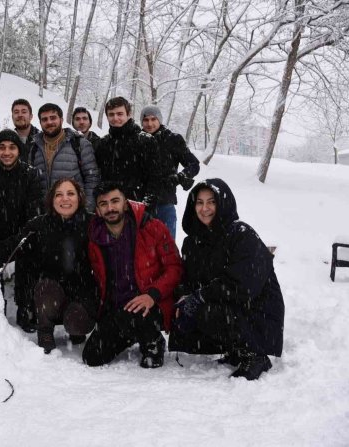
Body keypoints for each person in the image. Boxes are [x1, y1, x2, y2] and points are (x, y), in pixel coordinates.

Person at [168, 178, 284, 380]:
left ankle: (255, 355)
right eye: (200, 202)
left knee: (205, 309)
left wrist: (200, 297)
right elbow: (190, 278)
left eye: (211, 202)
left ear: (223, 203)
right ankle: (236, 349)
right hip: (227, 305)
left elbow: (243, 285)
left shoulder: (241, 234)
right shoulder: (193, 242)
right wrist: (183, 297)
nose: (205, 208)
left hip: (257, 309)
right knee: (190, 307)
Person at [82, 182, 182, 369]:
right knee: (92, 357)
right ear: (97, 209)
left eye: (115, 201)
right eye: (103, 204)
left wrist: (152, 294)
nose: (110, 208)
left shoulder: (152, 227)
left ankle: (153, 341)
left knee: (142, 316)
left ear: (126, 203)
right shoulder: (95, 237)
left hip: (151, 302)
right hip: (118, 308)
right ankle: (130, 332)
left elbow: (175, 268)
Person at [0, 178, 99, 353]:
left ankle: (76, 330)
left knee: (77, 321)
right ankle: (45, 330)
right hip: (51, 291)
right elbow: (12, 247)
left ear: (79, 198)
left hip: (83, 292)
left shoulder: (93, 224)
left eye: (70, 194)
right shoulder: (39, 225)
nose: (65, 199)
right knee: (46, 288)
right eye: (59, 195)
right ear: (51, 200)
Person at [0, 129, 44, 331]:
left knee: (29, 257)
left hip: (22, 234)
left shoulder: (30, 174)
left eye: (12, 147)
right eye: (2, 147)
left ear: (19, 151)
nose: (7, 152)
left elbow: (34, 214)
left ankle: (25, 307)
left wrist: (18, 240)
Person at [140, 105, 199, 239]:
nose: (149, 123)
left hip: (164, 203)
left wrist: (180, 177)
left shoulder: (173, 139)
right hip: (141, 204)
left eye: (153, 119)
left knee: (167, 249)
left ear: (159, 119)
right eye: (146, 120)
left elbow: (194, 164)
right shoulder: (137, 140)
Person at [29, 103, 100, 211]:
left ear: (61, 120)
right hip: (46, 216)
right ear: (40, 122)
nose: (49, 122)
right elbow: (32, 184)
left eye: (53, 118)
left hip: (74, 213)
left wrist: (86, 210)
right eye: (45, 119)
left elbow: (92, 179)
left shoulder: (79, 144)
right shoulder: (34, 148)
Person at [95, 97, 161, 207]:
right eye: (111, 114)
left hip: (136, 206)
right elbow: (98, 177)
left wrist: (145, 206)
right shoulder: (103, 143)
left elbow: (155, 178)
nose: (115, 118)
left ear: (128, 114)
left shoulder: (146, 141)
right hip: (109, 208)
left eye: (120, 114)